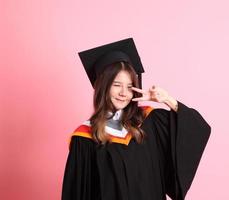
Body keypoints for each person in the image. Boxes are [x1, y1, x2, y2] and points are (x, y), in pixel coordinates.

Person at [61, 38, 211, 200]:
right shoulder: (85, 139)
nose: (123, 93)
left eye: (130, 86)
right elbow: (77, 193)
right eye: (116, 85)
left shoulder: (150, 122)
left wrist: (167, 99)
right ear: (102, 87)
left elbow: (196, 129)